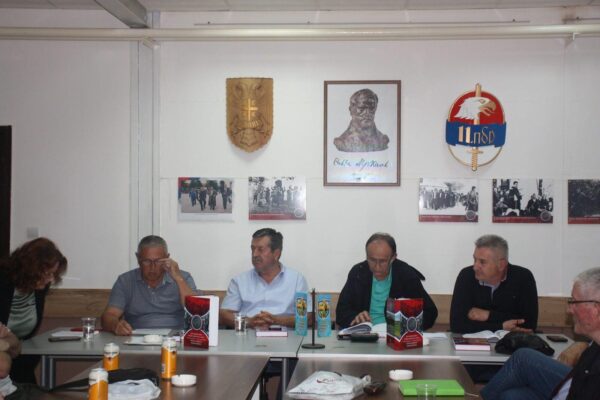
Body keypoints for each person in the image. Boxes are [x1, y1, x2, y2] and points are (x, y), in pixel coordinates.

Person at [481, 267, 600, 400]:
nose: (569, 310)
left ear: (596, 309)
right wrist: (583, 344)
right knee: (510, 396)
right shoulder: (593, 348)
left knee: (523, 358)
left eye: (574, 302)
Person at [336, 233, 438, 330]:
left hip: (396, 336)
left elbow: (430, 313)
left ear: (393, 258)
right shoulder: (358, 273)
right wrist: (355, 318)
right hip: (365, 336)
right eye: (372, 260)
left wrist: (407, 321)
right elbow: (341, 313)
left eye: (383, 261)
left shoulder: (406, 275)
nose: (377, 266)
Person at [0, 238, 67, 384]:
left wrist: (10, 344)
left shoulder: (39, 288)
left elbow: (21, 340)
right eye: (47, 273)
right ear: (30, 270)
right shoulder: (3, 282)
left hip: (20, 360)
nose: (51, 279)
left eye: (53, 274)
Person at [101, 235, 197, 335]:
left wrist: (179, 279)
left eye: (158, 261)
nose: (152, 267)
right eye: (147, 261)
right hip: (135, 338)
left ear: (167, 258)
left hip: (176, 337)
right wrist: (115, 325)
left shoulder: (183, 278)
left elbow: (196, 312)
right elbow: (109, 315)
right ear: (138, 258)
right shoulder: (125, 281)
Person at [220, 228, 310, 329]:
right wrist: (249, 322)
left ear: (276, 254)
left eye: (260, 249)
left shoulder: (296, 280)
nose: (254, 254)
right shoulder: (239, 281)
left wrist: (276, 320)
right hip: (249, 334)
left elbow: (308, 317)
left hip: (286, 336)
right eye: (252, 249)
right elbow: (224, 314)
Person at [450, 234, 538, 334]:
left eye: (482, 262)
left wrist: (488, 315)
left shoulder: (523, 278)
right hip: (472, 342)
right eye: (475, 260)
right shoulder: (466, 276)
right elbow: (457, 325)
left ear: (501, 264)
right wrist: (501, 326)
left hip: (512, 342)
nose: (475, 267)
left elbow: (529, 324)